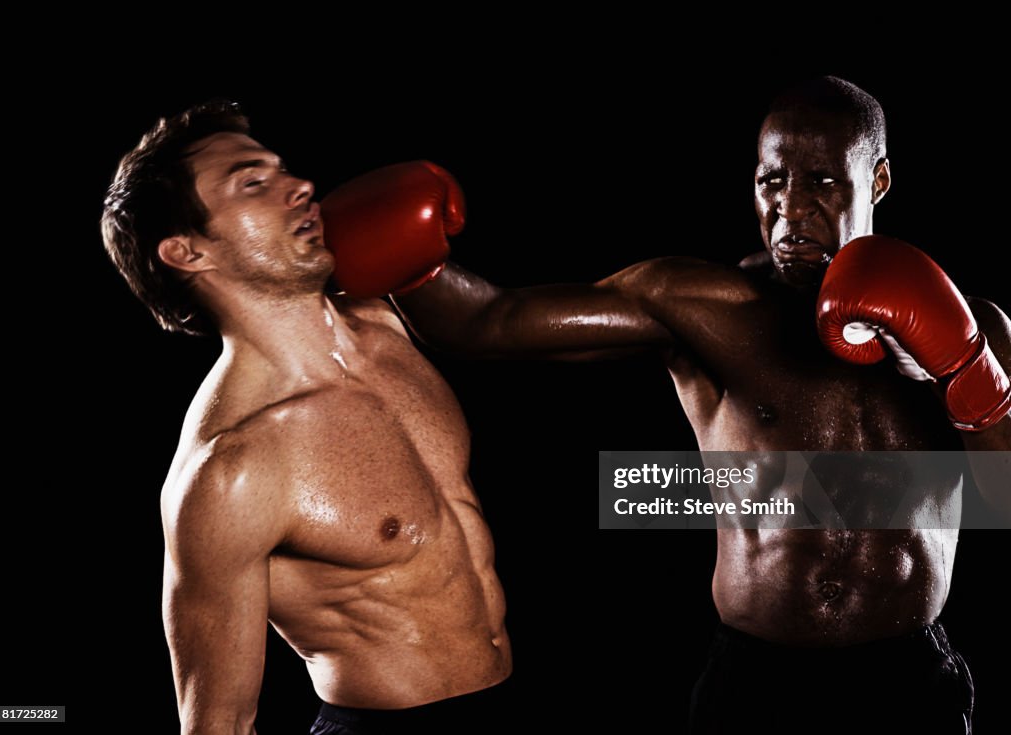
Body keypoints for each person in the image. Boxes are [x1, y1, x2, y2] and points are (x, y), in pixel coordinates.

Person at [390, 77, 1011, 733]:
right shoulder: (708, 308)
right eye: (772, 181)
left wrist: (968, 370)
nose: (792, 207)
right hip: (759, 684)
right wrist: (403, 255)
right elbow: (489, 320)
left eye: (823, 181)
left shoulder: (977, 327)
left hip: (905, 680)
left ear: (878, 179)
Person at [101, 100, 512, 735]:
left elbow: (514, 322)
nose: (301, 186)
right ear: (187, 251)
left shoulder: (387, 321)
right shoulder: (232, 467)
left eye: (282, 170)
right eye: (253, 183)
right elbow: (218, 722)